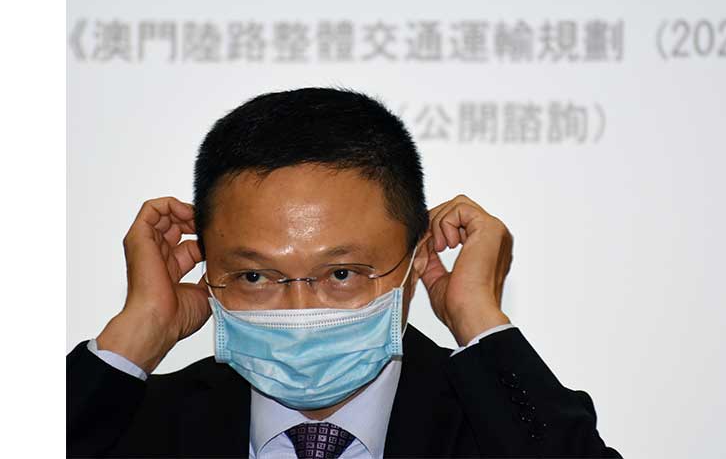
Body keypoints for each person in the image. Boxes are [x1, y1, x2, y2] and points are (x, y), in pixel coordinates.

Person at [67, 87, 621, 458]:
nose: (301, 313)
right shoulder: (129, 427)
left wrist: (476, 315)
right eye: (256, 278)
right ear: (209, 269)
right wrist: (141, 327)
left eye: (342, 274)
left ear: (416, 258)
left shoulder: (508, 425)